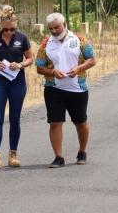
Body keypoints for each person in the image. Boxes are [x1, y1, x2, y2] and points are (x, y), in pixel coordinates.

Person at [36, 13, 96, 168]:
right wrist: (53, 72)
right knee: (55, 123)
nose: (54, 31)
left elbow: (92, 59)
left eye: (57, 27)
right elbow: (39, 67)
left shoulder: (79, 39)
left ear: (65, 23)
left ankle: (82, 152)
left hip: (78, 88)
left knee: (80, 122)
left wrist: (79, 68)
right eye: (51, 28)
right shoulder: (45, 44)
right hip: (54, 89)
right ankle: (58, 157)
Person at [0, 5, 33, 169]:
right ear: (1, 27)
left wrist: (20, 65)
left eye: (13, 29)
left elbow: (30, 59)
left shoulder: (22, 38)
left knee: (14, 119)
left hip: (17, 83)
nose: (10, 32)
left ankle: (13, 154)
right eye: (6, 30)